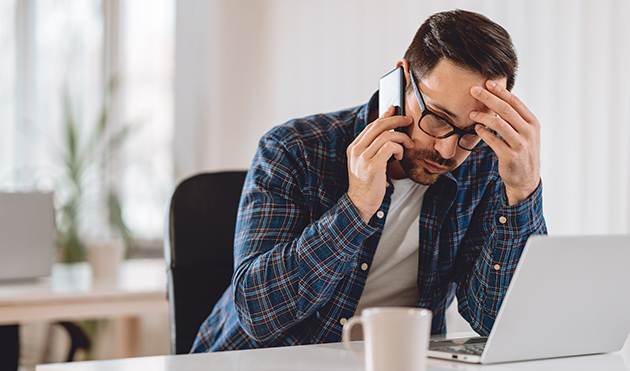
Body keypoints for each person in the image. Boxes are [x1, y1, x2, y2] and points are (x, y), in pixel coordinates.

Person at [191, 9, 547, 353]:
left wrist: (523, 192)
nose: (447, 148)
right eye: (438, 118)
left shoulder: (484, 165)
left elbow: (496, 319)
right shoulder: (294, 149)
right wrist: (356, 206)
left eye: (471, 131)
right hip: (250, 370)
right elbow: (257, 313)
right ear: (402, 80)